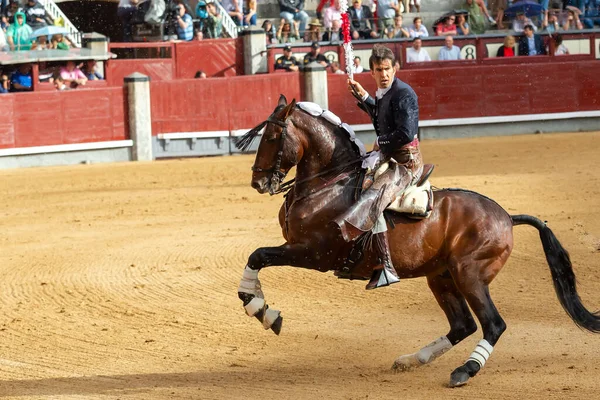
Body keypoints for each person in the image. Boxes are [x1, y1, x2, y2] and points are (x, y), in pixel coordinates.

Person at [340, 45, 424, 290]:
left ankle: (387, 266)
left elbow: (406, 132)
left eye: (388, 69)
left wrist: (381, 141)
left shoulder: (404, 93)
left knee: (374, 196)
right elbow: (382, 116)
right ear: (372, 72)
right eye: (379, 70)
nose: (384, 74)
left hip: (406, 162)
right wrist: (363, 97)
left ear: (394, 68)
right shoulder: (384, 92)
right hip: (389, 156)